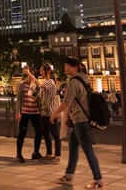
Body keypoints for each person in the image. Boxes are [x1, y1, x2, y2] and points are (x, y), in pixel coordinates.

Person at [51, 57, 104, 188]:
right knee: (73, 146)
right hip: (79, 119)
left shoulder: (74, 82)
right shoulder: (83, 79)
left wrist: (53, 115)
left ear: (74, 67)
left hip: (81, 120)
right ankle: (69, 176)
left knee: (88, 150)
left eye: (67, 66)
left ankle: (99, 181)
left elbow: (66, 103)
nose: (65, 68)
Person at [27, 63, 61, 163]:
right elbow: (39, 96)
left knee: (55, 135)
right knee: (46, 134)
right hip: (44, 112)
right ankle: (49, 154)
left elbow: (41, 85)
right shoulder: (45, 82)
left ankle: (57, 156)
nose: (41, 72)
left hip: (51, 112)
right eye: (41, 70)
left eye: (42, 70)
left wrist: (29, 74)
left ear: (48, 71)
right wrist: (32, 96)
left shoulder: (50, 81)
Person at [15, 66, 42, 163]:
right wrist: (18, 112)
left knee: (39, 132)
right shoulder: (22, 85)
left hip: (35, 112)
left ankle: (36, 152)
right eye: (30, 75)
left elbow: (39, 99)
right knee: (22, 132)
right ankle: (19, 154)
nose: (30, 77)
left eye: (33, 76)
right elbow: (18, 99)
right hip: (25, 112)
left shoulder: (37, 86)